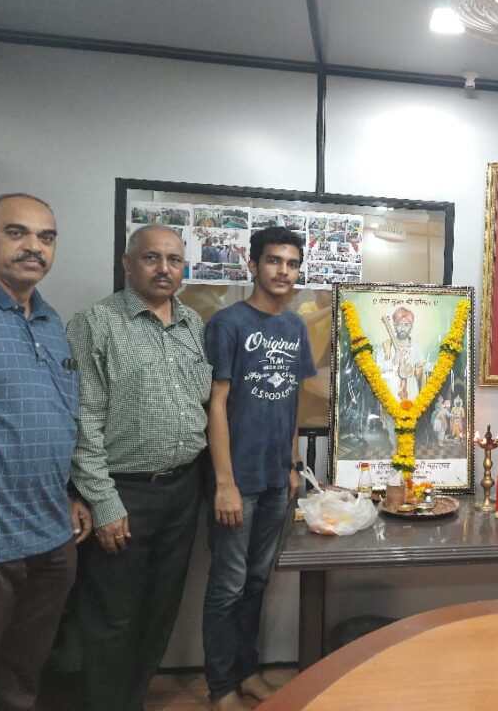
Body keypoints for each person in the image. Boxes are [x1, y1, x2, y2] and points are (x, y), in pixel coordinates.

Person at [68, 224, 212, 711]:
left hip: (183, 488)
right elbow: (83, 420)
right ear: (128, 264)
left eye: (174, 260)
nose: (164, 269)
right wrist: (104, 503)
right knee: (113, 618)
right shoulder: (96, 323)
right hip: (123, 493)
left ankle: (133, 701)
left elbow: (204, 405)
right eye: (152, 258)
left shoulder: (193, 325)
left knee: (159, 610)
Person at [0, 193, 91, 711]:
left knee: (22, 678)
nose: (34, 247)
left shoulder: (50, 322)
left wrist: (69, 493)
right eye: (16, 232)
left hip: (50, 537)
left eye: (46, 237)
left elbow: (56, 417)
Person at [202, 227, 315, 710]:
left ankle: (247, 672)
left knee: (256, 582)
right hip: (237, 480)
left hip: (275, 478)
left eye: (291, 263)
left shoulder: (295, 328)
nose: (282, 271)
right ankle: (221, 687)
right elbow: (216, 403)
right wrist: (224, 483)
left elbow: (291, 402)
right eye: (273, 261)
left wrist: (293, 465)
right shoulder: (228, 323)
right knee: (227, 587)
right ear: (253, 266)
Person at [379, 306, 427, 402]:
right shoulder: (387, 346)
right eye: (399, 324)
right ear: (394, 326)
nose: (402, 328)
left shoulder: (416, 348)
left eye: (406, 325)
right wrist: (394, 362)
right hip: (392, 392)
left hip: (411, 391)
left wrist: (417, 371)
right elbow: (379, 372)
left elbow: (423, 370)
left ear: (411, 327)